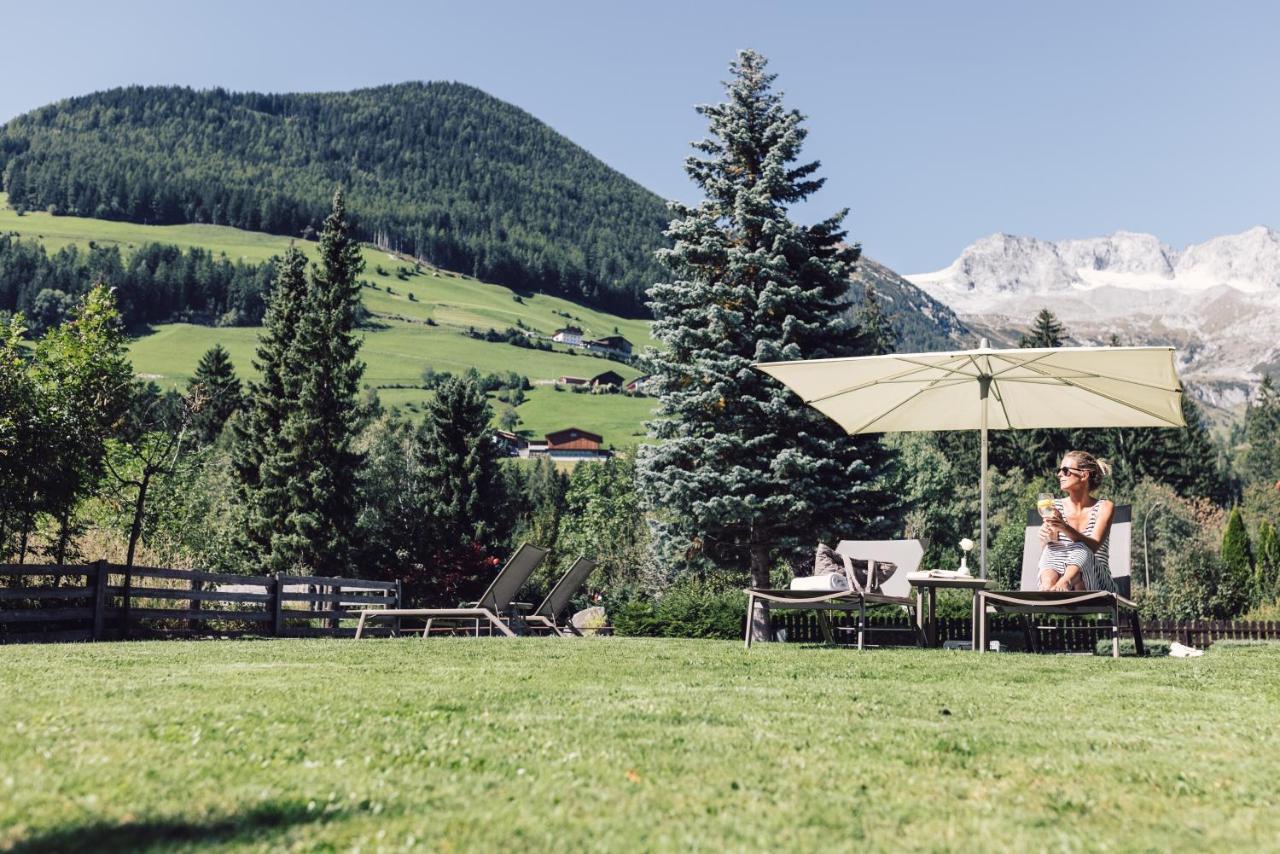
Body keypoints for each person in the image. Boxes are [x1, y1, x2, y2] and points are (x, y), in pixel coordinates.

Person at [1037, 451, 1116, 592]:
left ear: (1084, 475)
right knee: (1050, 549)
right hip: (1060, 578)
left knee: (1082, 548)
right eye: (1059, 470)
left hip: (1098, 583)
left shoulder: (1104, 507)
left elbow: (1093, 546)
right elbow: (1053, 549)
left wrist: (1065, 527)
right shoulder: (1054, 506)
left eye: (1066, 471)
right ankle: (1047, 587)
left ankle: (1066, 582)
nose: (1059, 474)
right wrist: (1047, 538)